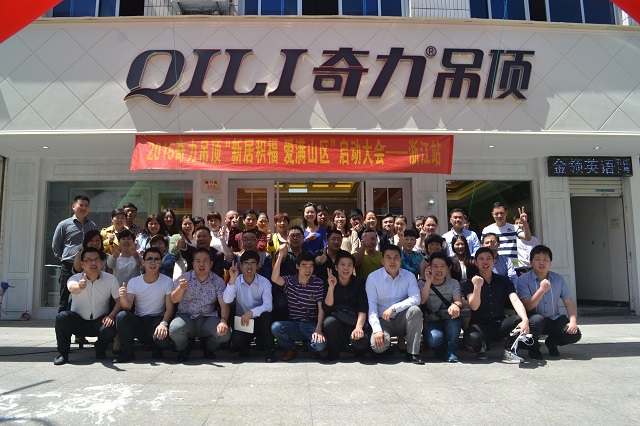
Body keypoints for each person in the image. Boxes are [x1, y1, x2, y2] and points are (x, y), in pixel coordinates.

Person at [462, 247, 537, 363]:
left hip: (499, 324)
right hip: (479, 325)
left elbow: (515, 300)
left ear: (494, 261)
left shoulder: (504, 281)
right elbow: (474, 306)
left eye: (488, 258)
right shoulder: (470, 283)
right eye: (481, 259)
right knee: (471, 338)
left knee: (518, 319)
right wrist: (477, 287)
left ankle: (509, 350)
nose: (485, 262)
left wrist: (525, 319)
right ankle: (481, 345)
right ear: (476, 262)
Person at [53, 248, 120, 365]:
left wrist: (111, 316)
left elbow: (119, 301)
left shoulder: (110, 279)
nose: (93, 263)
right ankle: (63, 353)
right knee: (62, 318)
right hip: (79, 322)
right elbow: (72, 288)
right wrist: (79, 287)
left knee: (111, 325)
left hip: (100, 321)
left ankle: (100, 348)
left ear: (101, 262)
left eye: (96, 259)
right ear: (82, 264)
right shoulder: (75, 278)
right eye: (88, 260)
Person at [516, 245, 581, 359]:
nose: (542, 263)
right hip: (534, 321)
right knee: (537, 320)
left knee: (575, 334)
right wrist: (542, 290)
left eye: (545, 259)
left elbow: (569, 303)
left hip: (553, 318)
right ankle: (533, 347)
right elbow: (528, 306)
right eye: (537, 259)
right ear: (531, 262)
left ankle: (552, 342)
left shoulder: (559, 279)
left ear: (550, 263)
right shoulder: (523, 280)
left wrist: (573, 322)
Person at [169, 248, 230, 362]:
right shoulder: (184, 278)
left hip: (208, 318)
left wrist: (223, 321)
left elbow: (224, 304)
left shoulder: (217, 281)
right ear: (193, 263)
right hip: (186, 317)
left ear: (211, 264)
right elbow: (173, 299)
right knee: (175, 329)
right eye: (198, 261)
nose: (201, 264)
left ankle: (208, 347)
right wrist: (181, 289)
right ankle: (183, 348)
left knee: (225, 334)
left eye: (205, 261)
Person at [366, 245, 424, 364]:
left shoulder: (409, 276)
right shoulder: (373, 278)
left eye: (396, 258)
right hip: (382, 321)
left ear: (400, 260)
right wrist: (377, 330)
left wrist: (394, 308)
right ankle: (385, 346)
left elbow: (416, 298)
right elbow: (372, 307)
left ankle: (412, 353)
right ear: (382, 261)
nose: (392, 261)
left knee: (415, 310)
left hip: (401, 319)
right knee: (378, 347)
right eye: (388, 258)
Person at [115, 247, 174, 363]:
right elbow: (127, 307)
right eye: (149, 259)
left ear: (160, 263)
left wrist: (164, 323)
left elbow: (170, 307)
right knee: (122, 316)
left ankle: (156, 346)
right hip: (140, 321)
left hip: (157, 320)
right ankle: (128, 352)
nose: (153, 263)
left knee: (163, 342)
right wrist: (123, 297)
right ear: (143, 262)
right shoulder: (134, 281)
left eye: (157, 259)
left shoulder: (167, 281)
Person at [271, 248, 327, 361]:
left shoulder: (318, 283)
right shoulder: (290, 281)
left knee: (320, 345)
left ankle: (310, 347)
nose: (308, 269)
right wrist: (280, 256)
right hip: (294, 324)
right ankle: (290, 349)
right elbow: (275, 278)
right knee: (276, 327)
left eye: (311, 266)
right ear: (297, 266)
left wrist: (318, 330)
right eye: (304, 266)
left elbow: (321, 308)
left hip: (311, 324)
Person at [224, 250, 275, 362]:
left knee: (266, 316)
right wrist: (232, 280)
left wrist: (251, 313)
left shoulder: (264, 282)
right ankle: (244, 345)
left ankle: (269, 350)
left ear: (258, 266)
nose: (249, 267)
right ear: (241, 266)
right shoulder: (236, 280)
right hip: (243, 322)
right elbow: (227, 300)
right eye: (246, 263)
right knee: (238, 342)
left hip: (259, 321)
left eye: (253, 263)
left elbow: (268, 306)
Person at [52, 195, 96, 312]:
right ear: (73, 206)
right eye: (81, 205)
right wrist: (62, 258)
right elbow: (56, 244)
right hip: (68, 264)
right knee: (65, 295)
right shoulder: (64, 224)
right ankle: (61, 318)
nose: (84, 208)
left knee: (85, 293)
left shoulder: (92, 225)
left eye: (86, 205)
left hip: (86, 265)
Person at [322, 251, 369, 361]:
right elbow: (327, 308)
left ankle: (357, 347)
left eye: (349, 265)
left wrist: (359, 327)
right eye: (342, 264)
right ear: (336, 267)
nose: (346, 268)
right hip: (338, 322)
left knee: (360, 347)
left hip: (354, 321)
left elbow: (363, 307)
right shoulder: (330, 281)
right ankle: (334, 352)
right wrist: (331, 287)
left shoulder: (360, 283)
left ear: (353, 268)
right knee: (328, 322)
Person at [419, 252, 463, 362]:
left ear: (447, 268)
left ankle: (452, 351)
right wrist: (428, 281)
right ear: (430, 268)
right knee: (435, 339)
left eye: (442, 266)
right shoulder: (422, 283)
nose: (439, 270)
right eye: (435, 266)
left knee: (454, 322)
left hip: (449, 318)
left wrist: (455, 305)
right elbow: (422, 300)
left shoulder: (453, 283)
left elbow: (458, 301)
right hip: (431, 321)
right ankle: (441, 348)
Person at [262, 226, 306, 321]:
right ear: (287, 238)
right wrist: (281, 256)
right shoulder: (282, 252)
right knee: (281, 304)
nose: (295, 238)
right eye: (292, 236)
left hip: (303, 290)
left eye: (298, 236)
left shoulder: (307, 254)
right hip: (283, 291)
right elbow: (280, 259)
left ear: (303, 238)